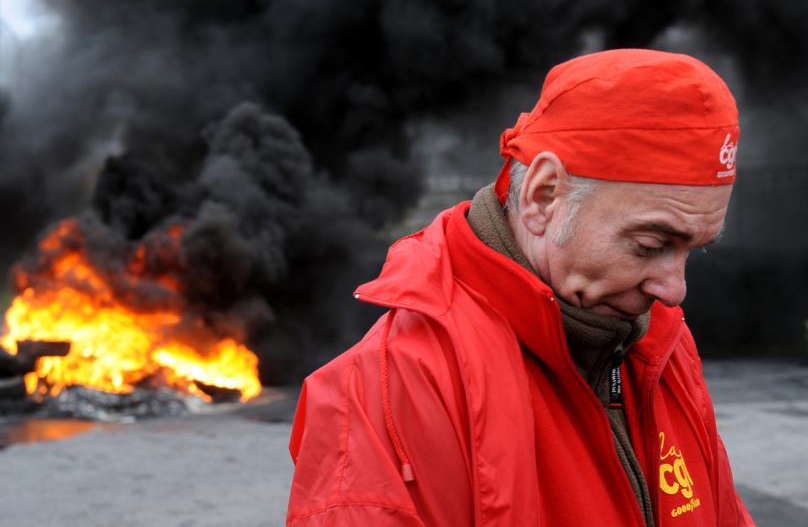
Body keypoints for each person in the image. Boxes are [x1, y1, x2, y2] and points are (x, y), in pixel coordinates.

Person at [285, 49, 755, 527]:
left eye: (693, 249)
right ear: (543, 196)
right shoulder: (387, 391)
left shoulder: (659, 341)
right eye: (650, 245)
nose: (674, 291)